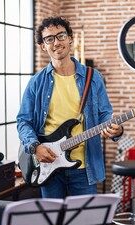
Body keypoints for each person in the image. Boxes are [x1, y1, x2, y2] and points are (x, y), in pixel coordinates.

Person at [17, 16, 123, 199]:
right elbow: (23, 121)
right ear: (43, 46)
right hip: (48, 166)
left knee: (84, 224)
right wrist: (35, 147)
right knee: (54, 223)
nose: (56, 42)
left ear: (70, 38)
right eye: (49, 39)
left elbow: (105, 114)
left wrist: (115, 129)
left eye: (61, 36)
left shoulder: (93, 77)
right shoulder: (36, 82)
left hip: (84, 168)